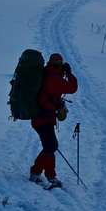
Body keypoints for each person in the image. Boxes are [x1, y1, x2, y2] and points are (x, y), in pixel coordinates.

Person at [29, 53, 78, 187]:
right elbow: (72, 88)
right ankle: (37, 173)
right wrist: (69, 74)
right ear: (59, 65)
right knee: (51, 146)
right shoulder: (54, 79)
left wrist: (61, 72)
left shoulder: (45, 73)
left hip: (41, 117)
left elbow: (54, 83)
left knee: (50, 146)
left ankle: (48, 175)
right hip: (43, 118)